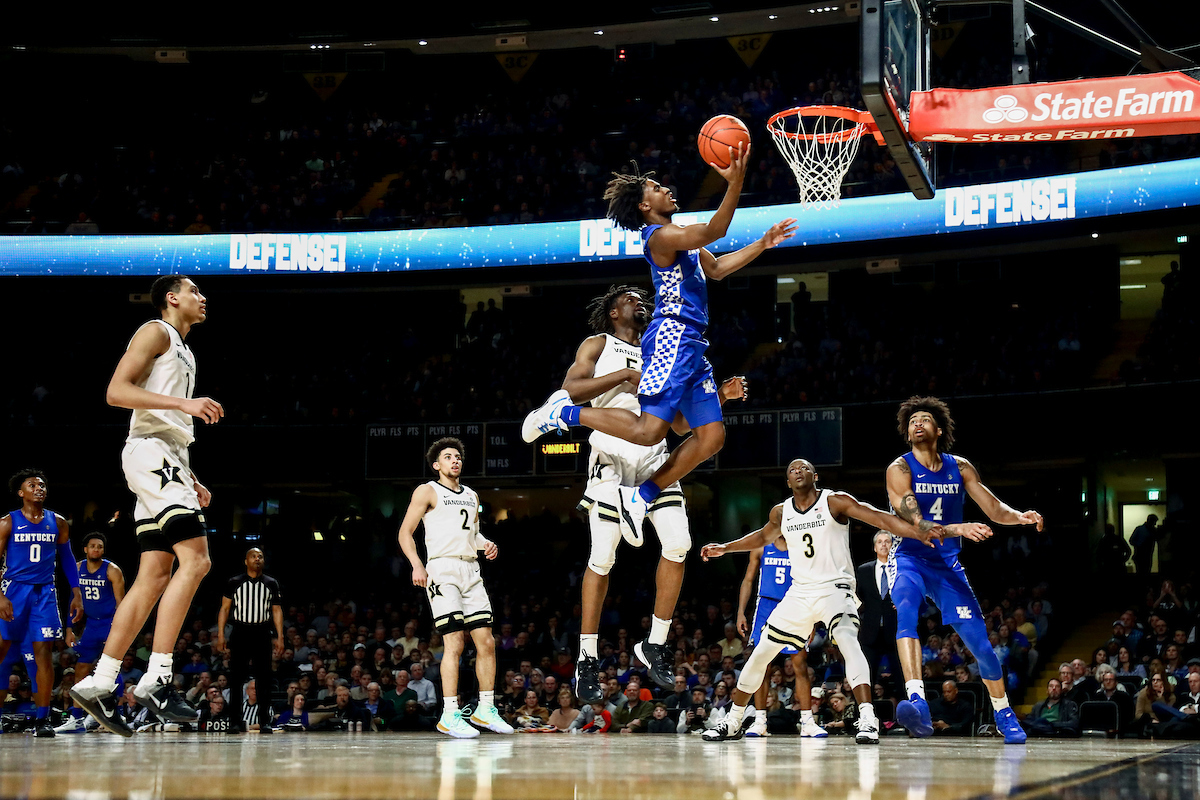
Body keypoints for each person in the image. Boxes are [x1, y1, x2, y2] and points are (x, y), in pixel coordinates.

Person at [523, 153, 796, 554]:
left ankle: (642, 493)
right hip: (671, 334)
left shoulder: (679, 235)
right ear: (645, 206)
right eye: (656, 188)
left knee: (712, 436)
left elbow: (717, 269)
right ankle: (562, 413)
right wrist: (735, 181)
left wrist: (763, 243)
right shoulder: (660, 237)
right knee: (651, 431)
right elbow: (717, 228)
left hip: (692, 341)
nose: (667, 188)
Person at [566, 286, 747, 698]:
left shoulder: (659, 349)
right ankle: (587, 656)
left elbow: (682, 425)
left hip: (653, 460)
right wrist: (627, 377)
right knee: (602, 556)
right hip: (611, 458)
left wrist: (721, 395)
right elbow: (571, 391)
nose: (640, 301)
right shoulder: (599, 344)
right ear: (613, 311)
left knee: (680, 543)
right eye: (630, 297)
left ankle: (655, 642)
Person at [72, 275, 223, 737]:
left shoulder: (184, 347)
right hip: (150, 452)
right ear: (172, 298)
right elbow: (116, 392)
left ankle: (99, 681)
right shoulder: (155, 331)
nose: (203, 298)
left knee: (156, 573)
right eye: (195, 291)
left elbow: (167, 422)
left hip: (164, 456)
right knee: (196, 561)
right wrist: (187, 403)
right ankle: (157, 678)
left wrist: (191, 476)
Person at [698, 458, 937, 743]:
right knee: (761, 652)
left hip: (835, 587)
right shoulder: (781, 512)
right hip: (800, 591)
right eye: (791, 470)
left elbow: (878, 517)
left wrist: (915, 530)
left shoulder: (834, 501)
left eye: (803, 468)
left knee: (848, 640)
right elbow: (762, 536)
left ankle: (868, 717)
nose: (797, 471)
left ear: (815, 476)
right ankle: (734, 719)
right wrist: (725, 547)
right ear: (788, 482)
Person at [885, 396, 1043, 745]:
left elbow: (993, 507)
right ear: (907, 433)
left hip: (947, 564)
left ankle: (1004, 714)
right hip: (909, 557)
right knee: (907, 614)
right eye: (912, 421)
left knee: (982, 646)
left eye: (925, 419)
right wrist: (958, 528)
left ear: (938, 430)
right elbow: (914, 517)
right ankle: (918, 702)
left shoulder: (961, 466)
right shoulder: (900, 468)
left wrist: (1019, 517)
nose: (918, 424)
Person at [397, 437, 513, 739]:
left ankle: (486, 709)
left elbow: (472, 533)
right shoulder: (427, 490)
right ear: (437, 465)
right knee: (455, 642)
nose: (455, 460)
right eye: (448, 457)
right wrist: (417, 564)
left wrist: (485, 543)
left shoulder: (472, 495)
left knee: (486, 641)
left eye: (458, 456)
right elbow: (405, 533)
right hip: (442, 568)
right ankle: (450, 713)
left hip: (470, 569)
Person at [0, 469, 84, 737]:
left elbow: (68, 560)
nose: (39, 487)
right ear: (20, 492)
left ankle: (43, 719)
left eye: (42, 484)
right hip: (13, 590)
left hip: (45, 592)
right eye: (32, 484)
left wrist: (77, 591)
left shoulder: (58, 522)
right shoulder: (7, 522)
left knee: (44, 656)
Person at [55, 531, 126, 733]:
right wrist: (69, 628)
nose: (97, 549)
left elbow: (122, 603)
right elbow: (73, 602)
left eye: (100, 546)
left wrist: (120, 629)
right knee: (81, 669)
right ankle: (77, 719)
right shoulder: (77, 569)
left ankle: (118, 715)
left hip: (110, 624)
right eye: (93, 546)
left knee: (113, 670)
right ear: (85, 549)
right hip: (91, 626)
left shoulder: (112, 571)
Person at [734, 533, 795, 738]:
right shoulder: (762, 546)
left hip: (793, 605)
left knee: (800, 663)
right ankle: (760, 720)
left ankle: (807, 720)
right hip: (766, 604)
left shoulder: (800, 547)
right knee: (762, 665)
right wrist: (741, 611)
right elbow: (748, 579)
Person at [216, 547, 284, 734]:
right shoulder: (234, 582)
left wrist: (280, 636)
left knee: (264, 678)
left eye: (260, 556)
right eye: (253, 556)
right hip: (240, 631)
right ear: (246, 561)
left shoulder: (271, 583)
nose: (257, 559)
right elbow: (225, 608)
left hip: (262, 631)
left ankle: (264, 721)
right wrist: (221, 635)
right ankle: (235, 722)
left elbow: (277, 610)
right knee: (237, 679)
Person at [857, 530, 900, 696]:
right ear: (874, 547)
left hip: (895, 630)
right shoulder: (863, 570)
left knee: (901, 676)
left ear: (892, 546)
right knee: (867, 676)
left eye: (887, 541)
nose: (883, 544)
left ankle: (907, 716)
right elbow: (856, 597)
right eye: (880, 542)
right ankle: (866, 714)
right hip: (870, 632)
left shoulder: (901, 569)